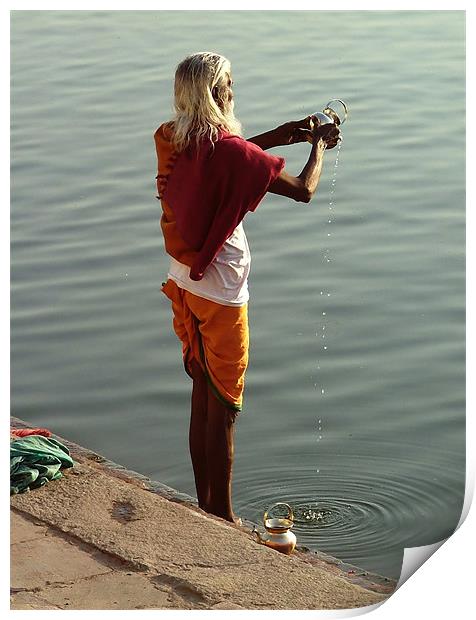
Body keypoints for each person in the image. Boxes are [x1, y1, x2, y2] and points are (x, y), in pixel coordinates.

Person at [154, 52, 340, 525]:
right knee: (227, 406)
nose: (234, 91)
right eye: (229, 85)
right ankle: (225, 517)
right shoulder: (230, 153)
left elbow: (222, 160)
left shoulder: (173, 139)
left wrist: (279, 136)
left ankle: (205, 507)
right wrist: (318, 147)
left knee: (202, 391)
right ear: (216, 93)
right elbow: (302, 189)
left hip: (184, 281)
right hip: (221, 291)